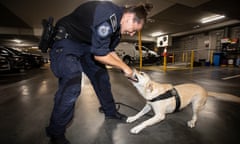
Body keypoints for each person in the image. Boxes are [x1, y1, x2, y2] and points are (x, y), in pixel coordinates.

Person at [45, 1, 153, 144]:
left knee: (102, 78)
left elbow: (109, 51)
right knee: (72, 82)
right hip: (67, 40)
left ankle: (110, 111)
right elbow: (99, 55)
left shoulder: (116, 32)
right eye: (133, 30)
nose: (132, 34)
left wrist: (126, 68)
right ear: (128, 17)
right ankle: (56, 132)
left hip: (88, 46)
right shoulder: (108, 13)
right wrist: (126, 69)